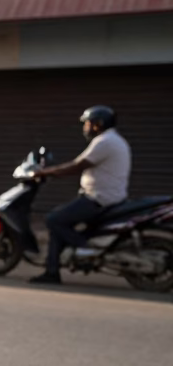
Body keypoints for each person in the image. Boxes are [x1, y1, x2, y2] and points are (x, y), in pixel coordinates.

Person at [29, 105, 131, 285]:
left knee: (53, 219)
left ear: (99, 124)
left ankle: (84, 248)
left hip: (99, 198)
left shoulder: (104, 141)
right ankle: (52, 271)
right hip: (108, 196)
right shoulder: (114, 140)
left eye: (88, 124)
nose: (86, 128)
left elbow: (77, 165)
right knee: (58, 225)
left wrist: (46, 173)